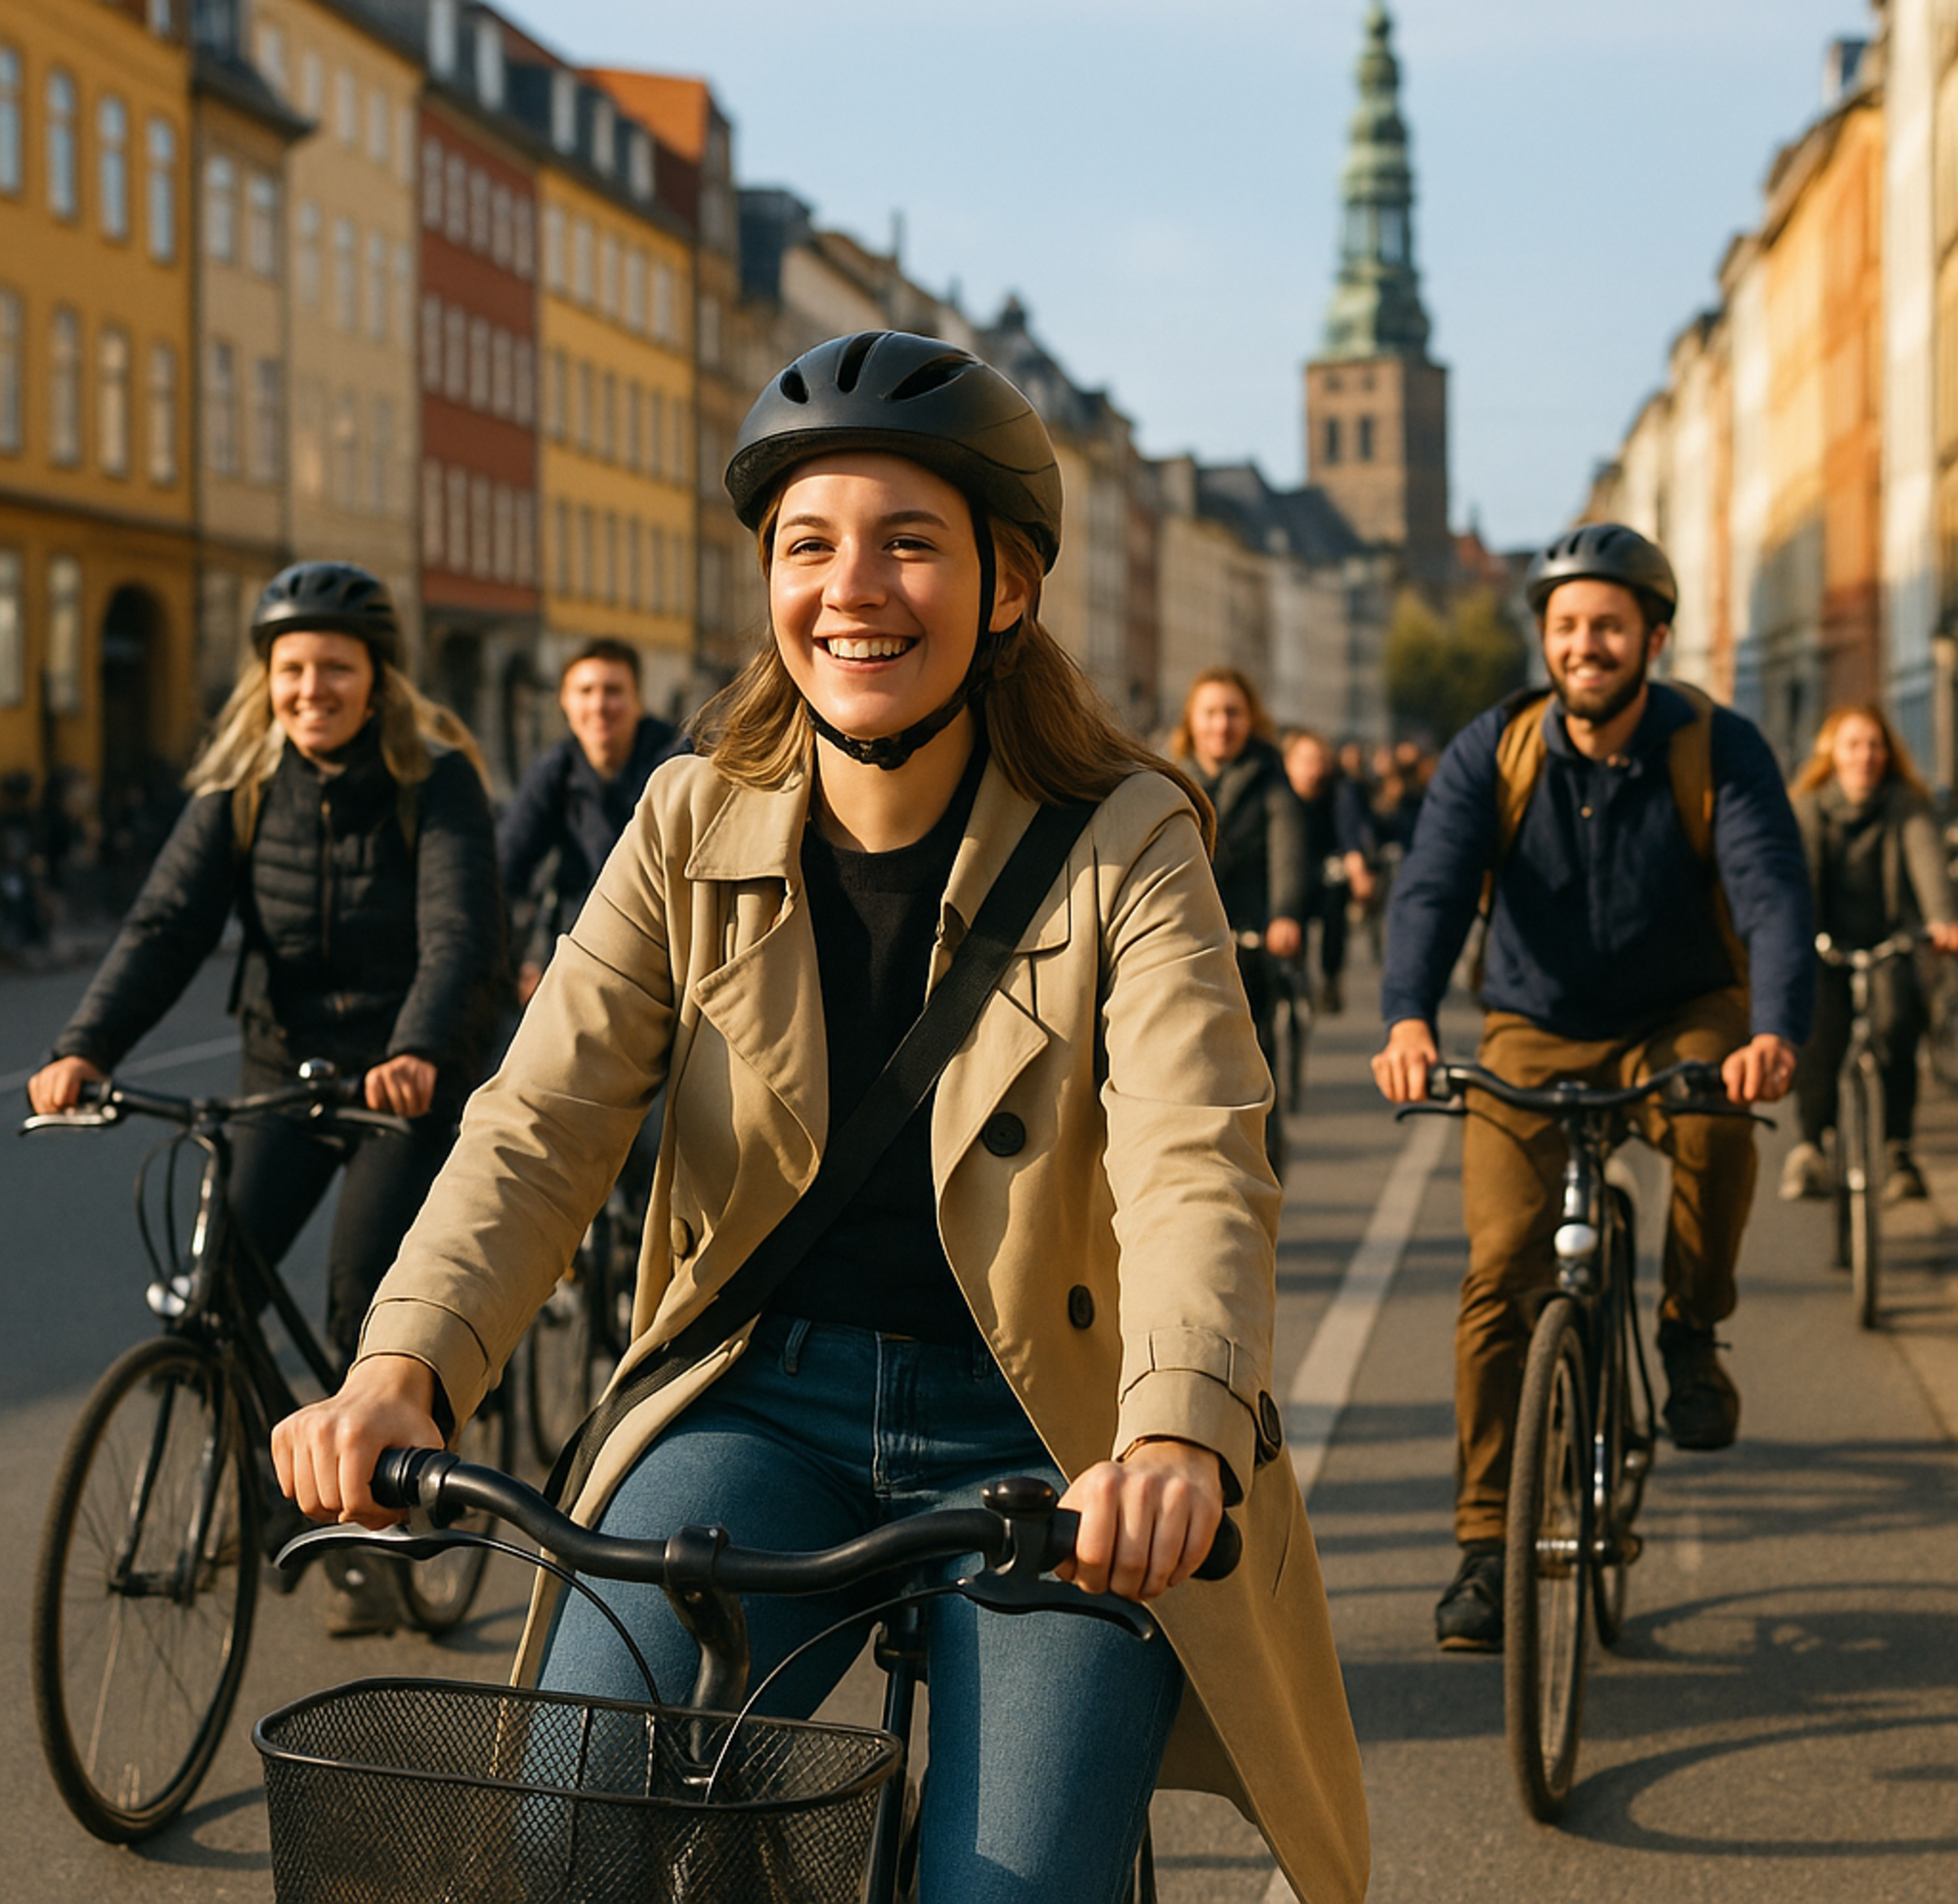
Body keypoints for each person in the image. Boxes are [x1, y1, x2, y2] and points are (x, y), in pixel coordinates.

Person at [272, 333, 1368, 1904]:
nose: (850, 587)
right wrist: (401, 1368)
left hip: (1042, 1432)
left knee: (1012, 1889)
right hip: (754, 1396)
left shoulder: (1127, 839)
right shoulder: (688, 814)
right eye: (808, 544)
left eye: (907, 541)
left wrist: (1173, 1430)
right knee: (567, 1819)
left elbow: (1195, 1152)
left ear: (1005, 586)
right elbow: (541, 1116)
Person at [29, 562, 505, 1634]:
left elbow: (459, 935)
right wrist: (85, 1046)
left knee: (360, 1304)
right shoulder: (242, 788)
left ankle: (387, 1520)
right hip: (284, 1067)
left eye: (334, 668)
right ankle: (272, 1483)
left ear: (377, 680)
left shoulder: (436, 780)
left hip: (400, 1077)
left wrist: (422, 1048)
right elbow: (164, 927)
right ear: (268, 680)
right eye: (291, 670)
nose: (310, 690)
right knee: (217, 1287)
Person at [1371, 522, 1813, 1653]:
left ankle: (1687, 1335)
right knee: (1500, 1265)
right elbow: (1432, 884)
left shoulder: (1717, 745)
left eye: (1609, 625)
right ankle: (1484, 1545)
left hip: (1684, 1010)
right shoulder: (1496, 748)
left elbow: (1768, 888)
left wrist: (1772, 1030)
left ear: (1651, 637)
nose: (1586, 644)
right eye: (1567, 626)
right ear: (1547, 640)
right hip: (1535, 1022)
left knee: (1718, 1126)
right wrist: (1409, 1016)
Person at [1780, 705, 1958, 1205]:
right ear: (1831, 755)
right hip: (1824, 943)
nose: (1865, 756)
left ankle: (1898, 1149)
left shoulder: (1906, 805)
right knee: (1818, 1030)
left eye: (1874, 745)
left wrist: (1942, 920)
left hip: (1888, 942)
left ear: (1888, 754)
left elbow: (1926, 860)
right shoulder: (1810, 807)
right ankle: (1812, 1147)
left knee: (1900, 1019)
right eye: (1853, 745)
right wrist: (1791, 936)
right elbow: (1798, 881)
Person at [1168, 668, 1307, 1168]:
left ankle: (1260, 1160)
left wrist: (1285, 916)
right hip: (1182, 944)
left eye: (1233, 713)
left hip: (1249, 940)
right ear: (1192, 720)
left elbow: (1288, 850)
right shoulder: (1168, 777)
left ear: (1251, 720)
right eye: (1211, 713)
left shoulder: (1271, 778)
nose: (1221, 725)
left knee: (1251, 1060)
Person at [497, 637, 683, 1008]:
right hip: (580, 950)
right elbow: (503, 870)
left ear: (638, 701)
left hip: (668, 953)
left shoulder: (678, 764)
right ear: (564, 702)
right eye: (585, 691)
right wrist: (519, 963)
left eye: (614, 691)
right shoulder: (556, 773)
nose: (599, 706)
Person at [1281, 727, 1378, 1013]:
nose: (1313, 768)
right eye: (1305, 760)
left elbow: (1350, 833)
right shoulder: (1278, 792)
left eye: (1319, 760)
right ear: (1288, 762)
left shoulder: (1339, 790)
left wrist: (1358, 872)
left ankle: (1331, 976)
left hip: (1327, 866)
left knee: (1335, 893)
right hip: (1290, 869)